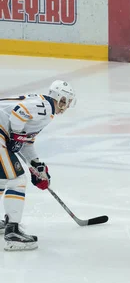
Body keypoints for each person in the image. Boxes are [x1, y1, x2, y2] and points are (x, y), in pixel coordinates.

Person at [0, 80, 76, 251]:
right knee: (17, 180)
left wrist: (37, 166)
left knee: (3, 179)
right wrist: (16, 135)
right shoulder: (46, 106)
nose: (67, 105)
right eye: (67, 101)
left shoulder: (45, 111)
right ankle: (13, 232)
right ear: (60, 98)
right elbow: (19, 114)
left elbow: (26, 143)